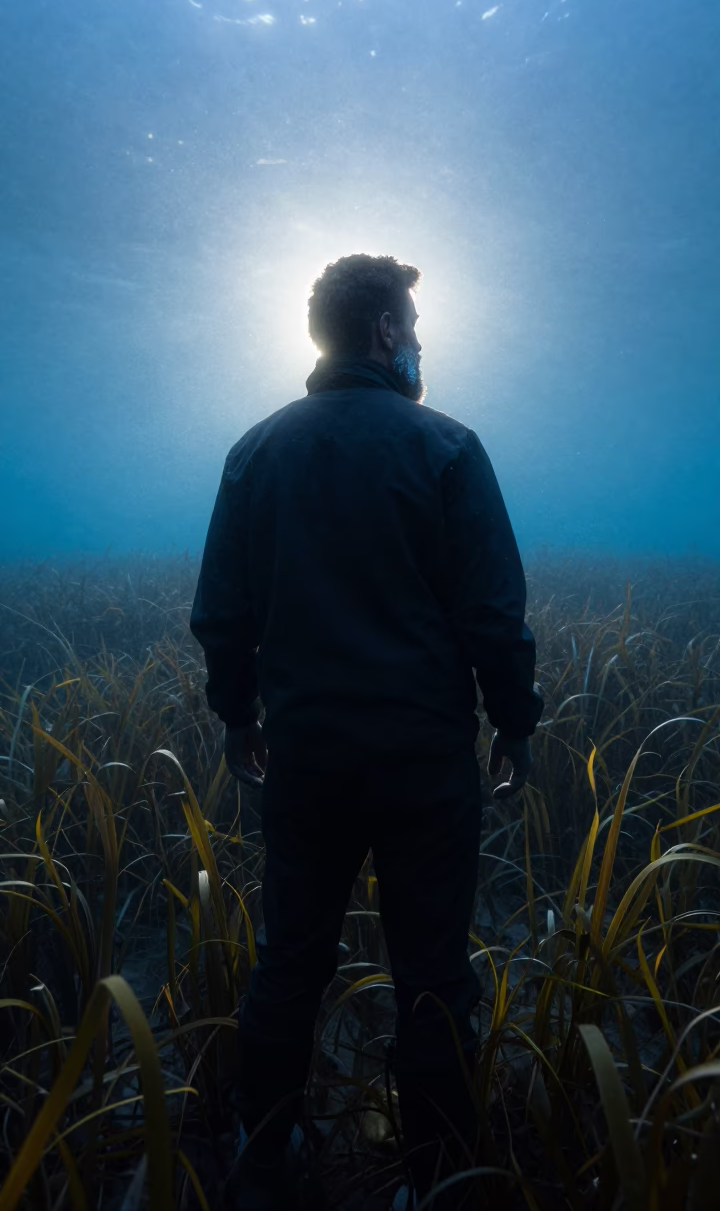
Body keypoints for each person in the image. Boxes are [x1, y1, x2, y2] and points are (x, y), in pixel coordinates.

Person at [190, 254, 544, 1209]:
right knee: (433, 975)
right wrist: (515, 723)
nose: (419, 341)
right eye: (413, 326)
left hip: (306, 761)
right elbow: (494, 617)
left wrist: (237, 716)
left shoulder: (254, 453)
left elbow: (221, 614)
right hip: (425, 764)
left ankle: (262, 1159)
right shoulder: (449, 447)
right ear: (386, 332)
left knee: (289, 960)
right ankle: (436, 1179)